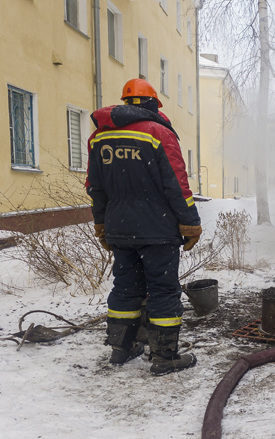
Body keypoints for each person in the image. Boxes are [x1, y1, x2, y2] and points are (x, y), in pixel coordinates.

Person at [86, 79, 202, 376]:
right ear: (152, 105)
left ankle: (122, 349)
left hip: (119, 228)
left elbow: (95, 187)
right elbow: (177, 185)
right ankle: (164, 356)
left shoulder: (99, 138)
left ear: (125, 104)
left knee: (125, 287)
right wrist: (190, 223)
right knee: (163, 290)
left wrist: (101, 223)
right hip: (158, 230)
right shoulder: (159, 133)